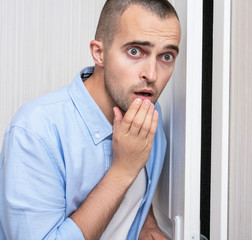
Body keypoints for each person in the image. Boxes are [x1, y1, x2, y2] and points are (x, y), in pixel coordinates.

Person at [0, 0, 181, 239]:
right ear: (99, 53)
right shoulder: (35, 131)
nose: (152, 74)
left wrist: (147, 224)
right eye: (135, 51)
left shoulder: (148, 117)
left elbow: (135, 201)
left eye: (166, 56)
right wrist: (123, 170)